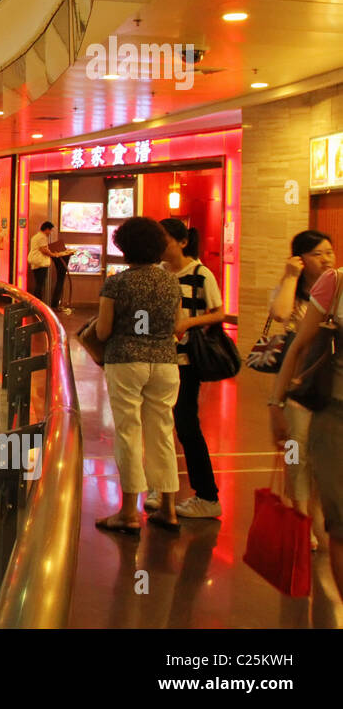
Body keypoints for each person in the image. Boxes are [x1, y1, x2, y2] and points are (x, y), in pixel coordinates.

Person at [92, 217, 182, 534]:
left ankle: (129, 511)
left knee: (129, 432)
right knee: (163, 431)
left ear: (124, 248)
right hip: (165, 362)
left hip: (126, 361)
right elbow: (175, 325)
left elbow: (102, 331)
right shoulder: (172, 281)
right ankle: (168, 507)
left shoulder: (117, 284)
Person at [267, 230, 334, 549]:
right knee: (297, 453)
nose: (327, 259)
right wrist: (290, 276)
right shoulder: (292, 292)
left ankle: (320, 515)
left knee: (323, 455)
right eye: (318, 254)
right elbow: (279, 314)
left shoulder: (337, 289)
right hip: (298, 382)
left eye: (330, 252)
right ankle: (301, 517)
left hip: (328, 382)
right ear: (300, 259)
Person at [158, 218, 226, 519]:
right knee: (158, 427)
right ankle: (162, 490)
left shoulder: (201, 274)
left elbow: (219, 313)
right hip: (160, 359)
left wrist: (187, 322)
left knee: (186, 426)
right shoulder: (159, 273)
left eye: (165, 240)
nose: (161, 247)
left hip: (186, 362)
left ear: (183, 242)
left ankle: (207, 495)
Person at [28, 221, 70, 303]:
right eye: (50, 230)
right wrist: (54, 255)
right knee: (40, 284)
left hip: (36, 263)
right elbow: (44, 250)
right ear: (46, 229)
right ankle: (37, 303)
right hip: (41, 263)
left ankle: (36, 303)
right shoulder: (42, 237)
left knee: (38, 283)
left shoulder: (35, 236)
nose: (50, 233)